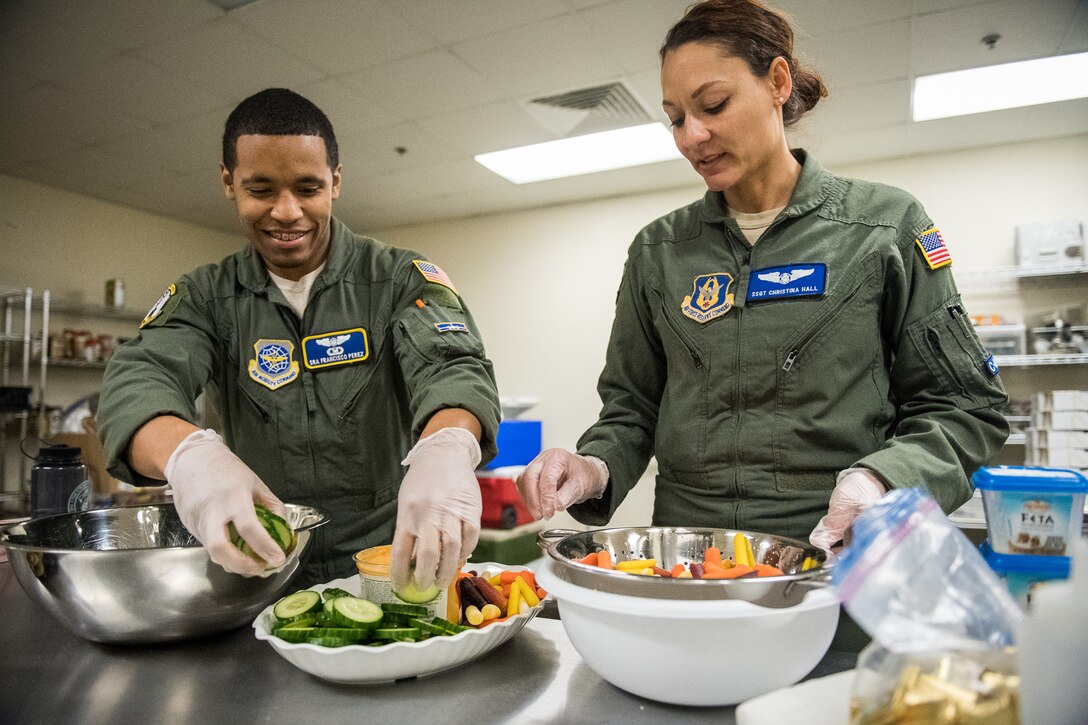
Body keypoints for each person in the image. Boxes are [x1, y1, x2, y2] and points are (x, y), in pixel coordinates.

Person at [516, 0, 1008, 552]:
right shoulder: (658, 251)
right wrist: (593, 465)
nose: (691, 136)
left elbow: (964, 408)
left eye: (714, 105)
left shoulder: (883, 227)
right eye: (676, 118)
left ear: (777, 81)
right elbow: (633, 408)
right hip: (687, 563)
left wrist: (882, 479)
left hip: (835, 555)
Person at [98, 88, 500, 591]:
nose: (286, 213)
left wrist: (448, 444)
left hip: (394, 561)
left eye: (307, 189)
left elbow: (453, 369)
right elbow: (138, 378)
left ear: (335, 182)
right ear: (229, 182)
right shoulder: (205, 296)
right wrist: (188, 457)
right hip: (263, 569)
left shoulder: (401, 279)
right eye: (261, 190)